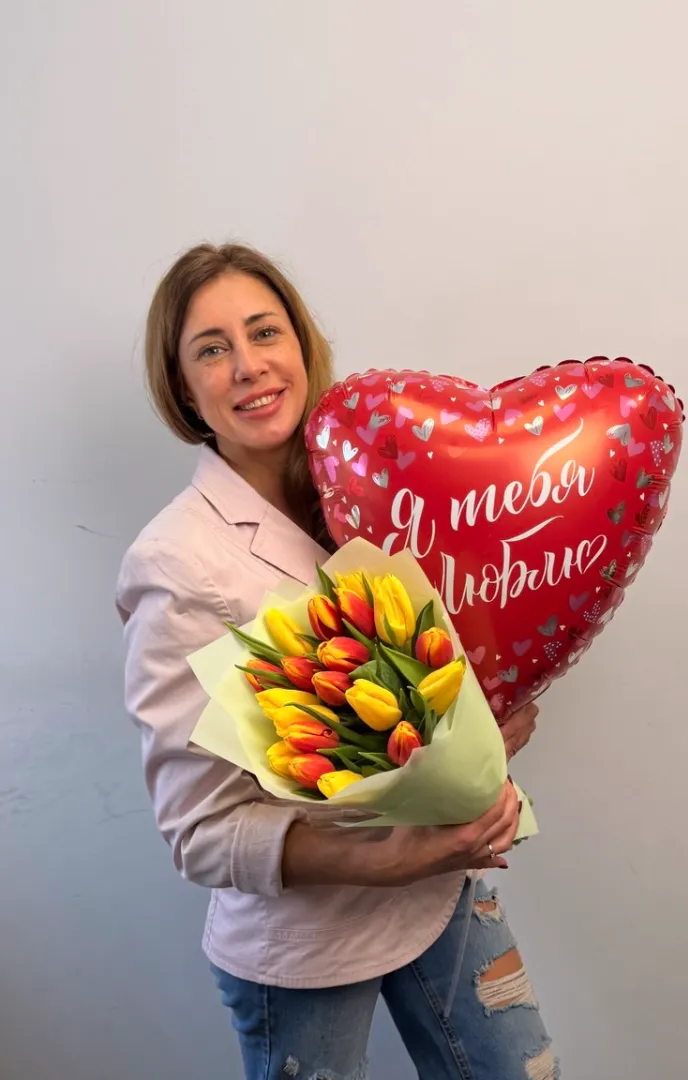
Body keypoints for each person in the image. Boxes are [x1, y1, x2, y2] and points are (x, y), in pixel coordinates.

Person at [116, 242, 558, 1080]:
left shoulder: (376, 487)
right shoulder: (174, 563)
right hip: (303, 946)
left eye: (264, 332)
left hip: (440, 892)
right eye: (211, 349)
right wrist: (384, 859)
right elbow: (199, 833)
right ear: (183, 388)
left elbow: (434, 671)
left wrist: (480, 727)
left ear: (301, 344)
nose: (248, 366)